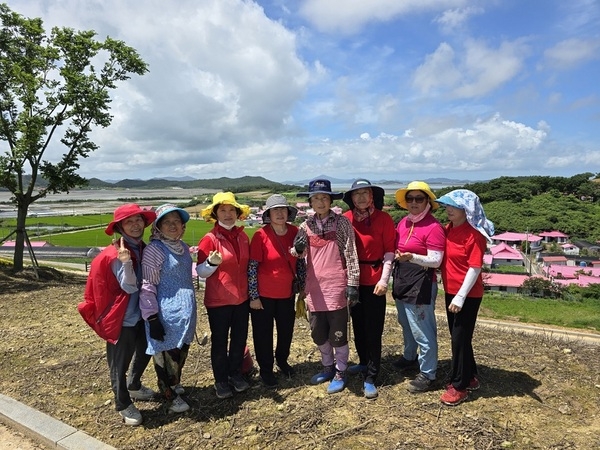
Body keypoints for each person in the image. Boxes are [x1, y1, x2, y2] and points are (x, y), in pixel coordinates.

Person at [78, 203, 157, 426]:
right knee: (119, 363)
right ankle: (123, 403)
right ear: (120, 227)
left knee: (145, 350)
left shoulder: (141, 247)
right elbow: (130, 286)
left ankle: (134, 385)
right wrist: (126, 263)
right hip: (122, 317)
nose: (135, 225)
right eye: (128, 222)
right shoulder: (117, 254)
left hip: (142, 313)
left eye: (138, 220)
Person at [294, 178, 360, 395]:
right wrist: (297, 249)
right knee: (318, 333)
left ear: (330, 200)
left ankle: (341, 371)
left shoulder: (341, 223)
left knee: (338, 334)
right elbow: (298, 254)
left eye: (324, 198)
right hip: (314, 289)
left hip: (336, 288)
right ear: (310, 202)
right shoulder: (305, 226)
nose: (320, 202)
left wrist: (353, 283)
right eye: (316, 198)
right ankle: (327, 366)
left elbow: (350, 253)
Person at [436, 189, 494, 406]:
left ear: (467, 210)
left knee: (459, 338)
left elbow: (475, 267)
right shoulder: (448, 229)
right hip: (451, 290)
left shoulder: (474, 234)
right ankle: (469, 376)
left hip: (467, 294)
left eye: (455, 206)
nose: (448, 209)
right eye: (447, 205)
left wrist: (460, 296)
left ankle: (459, 386)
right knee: (460, 336)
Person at [139, 203, 196, 414]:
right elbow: (147, 285)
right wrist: (152, 318)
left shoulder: (182, 247)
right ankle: (170, 395)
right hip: (165, 314)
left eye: (177, 222)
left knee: (179, 353)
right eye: (167, 222)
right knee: (165, 358)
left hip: (184, 315)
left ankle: (175, 382)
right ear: (158, 226)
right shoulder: (155, 250)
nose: (173, 226)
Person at [342, 179, 395, 399]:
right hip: (352, 281)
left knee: (374, 329)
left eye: (365, 193)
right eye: (357, 194)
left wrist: (384, 280)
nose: (361, 198)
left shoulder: (384, 219)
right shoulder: (346, 219)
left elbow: (389, 252)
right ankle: (363, 362)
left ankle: (372, 375)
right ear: (351, 198)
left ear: (372, 196)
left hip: (375, 281)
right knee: (358, 325)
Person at [392, 181, 446, 393]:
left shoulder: (434, 227)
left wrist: (411, 257)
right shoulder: (403, 222)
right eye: (410, 198)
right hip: (403, 279)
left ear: (428, 202)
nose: (413, 202)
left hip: (421, 283)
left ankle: (428, 373)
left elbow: (436, 260)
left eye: (419, 199)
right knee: (405, 323)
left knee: (423, 329)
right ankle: (409, 356)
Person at [196, 192, 251, 399]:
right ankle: (220, 380)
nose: (228, 214)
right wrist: (211, 264)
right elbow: (201, 272)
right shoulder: (209, 239)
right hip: (219, 301)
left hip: (242, 299)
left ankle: (235, 374)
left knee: (239, 339)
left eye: (231, 210)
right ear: (215, 213)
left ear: (237, 213)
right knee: (220, 341)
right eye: (223, 210)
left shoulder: (243, 236)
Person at [248, 194, 306, 388]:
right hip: (263, 297)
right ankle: (266, 370)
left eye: (283, 209)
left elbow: (299, 262)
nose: (280, 213)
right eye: (276, 210)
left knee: (285, 331)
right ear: (269, 214)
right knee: (263, 334)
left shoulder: (295, 231)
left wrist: (303, 287)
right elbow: (252, 268)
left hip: (286, 294)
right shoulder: (260, 235)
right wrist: (254, 296)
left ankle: (282, 361)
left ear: (288, 212)